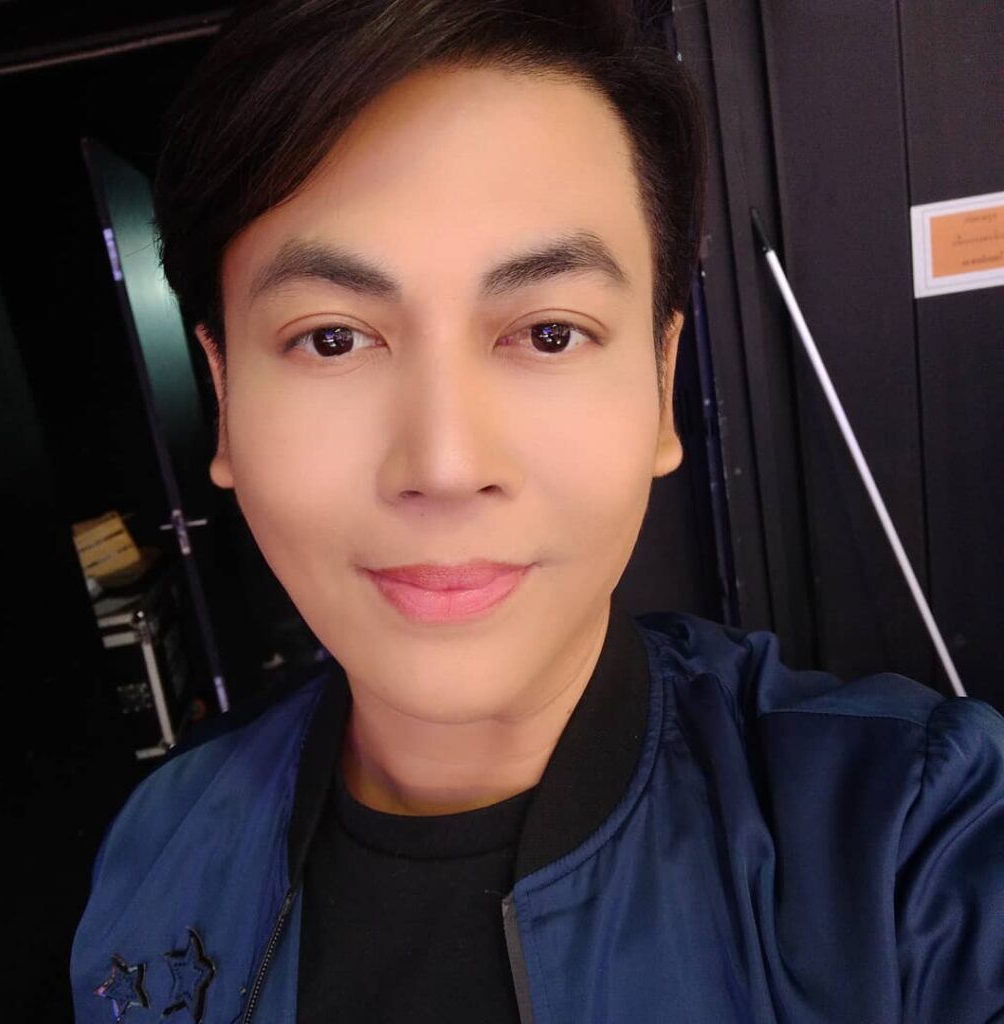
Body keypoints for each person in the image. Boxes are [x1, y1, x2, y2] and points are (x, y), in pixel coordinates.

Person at [70, 0, 1004, 1021]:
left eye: (550, 333)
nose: (445, 464)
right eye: (332, 338)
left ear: (661, 381)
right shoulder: (158, 846)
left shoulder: (910, 837)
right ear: (223, 396)